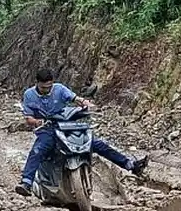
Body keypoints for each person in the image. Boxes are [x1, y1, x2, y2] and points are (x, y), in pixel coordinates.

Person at [15, 68, 148, 196]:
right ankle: (26, 182)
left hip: (66, 125)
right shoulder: (29, 95)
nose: (47, 90)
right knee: (38, 150)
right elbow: (28, 118)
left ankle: (130, 165)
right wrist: (38, 122)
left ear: (53, 83)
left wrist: (86, 104)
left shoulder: (59, 89)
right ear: (37, 83)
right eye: (44, 88)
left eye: (49, 87)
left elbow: (75, 99)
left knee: (96, 143)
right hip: (47, 129)